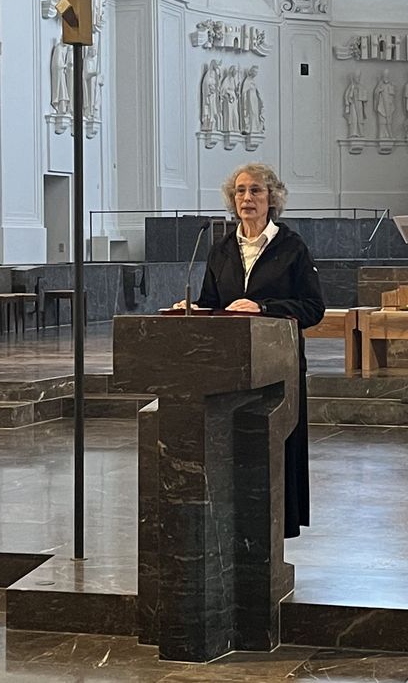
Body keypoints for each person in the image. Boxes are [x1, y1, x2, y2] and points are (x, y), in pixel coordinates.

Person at [176, 163, 324, 538]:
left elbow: (313, 308)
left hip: (279, 367)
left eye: (255, 191)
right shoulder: (221, 249)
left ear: (272, 198)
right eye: (240, 191)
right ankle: (232, 524)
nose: (247, 198)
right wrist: (191, 309)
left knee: (274, 450)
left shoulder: (292, 246)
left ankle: (276, 526)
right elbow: (214, 303)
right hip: (231, 369)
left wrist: (265, 306)